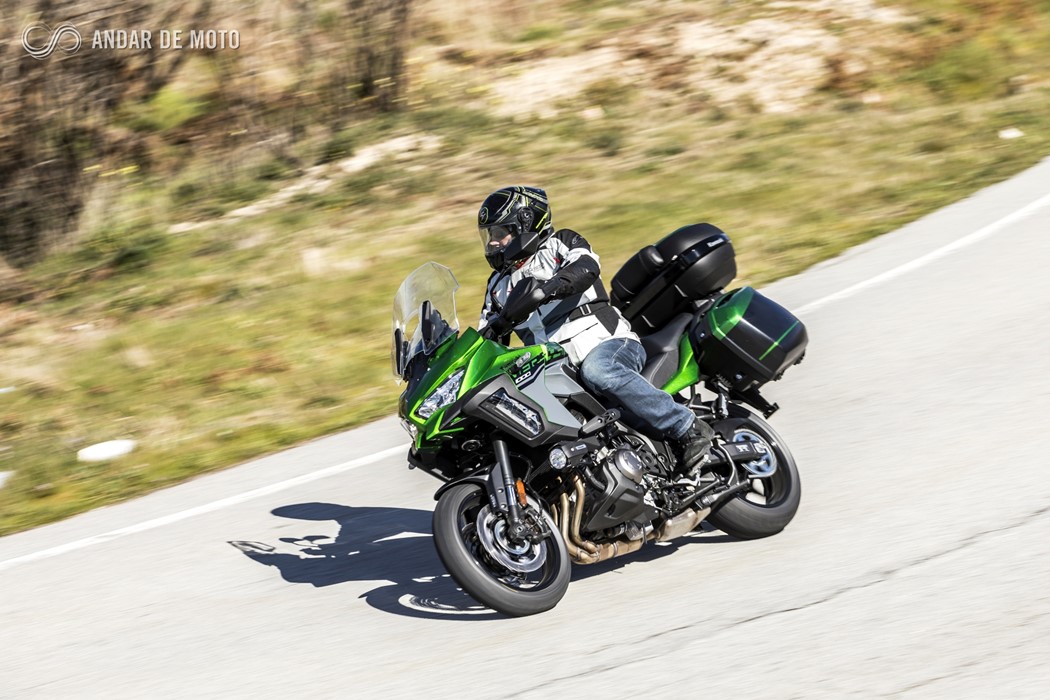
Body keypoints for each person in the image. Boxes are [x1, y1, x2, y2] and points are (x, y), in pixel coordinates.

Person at [476, 185, 713, 471]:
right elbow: (484, 338)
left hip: (606, 343)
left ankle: (687, 426)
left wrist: (546, 289)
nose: (493, 243)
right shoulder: (497, 286)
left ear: (525, 224)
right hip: (555, 367)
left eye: (499, 233)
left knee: (599, 371)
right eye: (489, 236)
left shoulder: (559, 243)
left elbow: (585, 267)